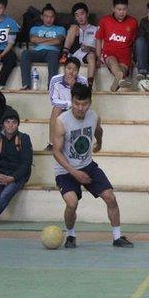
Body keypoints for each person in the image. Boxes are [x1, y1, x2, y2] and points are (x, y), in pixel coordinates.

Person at [53, 83, 133, 248]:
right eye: (76, 103)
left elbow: (99, 130)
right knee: (72, 203)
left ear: (90, 102)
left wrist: (99, 144)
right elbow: (56, 152)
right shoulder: (61, 121)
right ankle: (70, 235)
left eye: (84, 104)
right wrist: (74, 172)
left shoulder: (94, 116)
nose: (80, 108)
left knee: (110, 197)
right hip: (66, 170)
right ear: (72, 101)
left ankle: (117, 237)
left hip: (88, 166)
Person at [45, 57, 88, 151]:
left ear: (78, 71)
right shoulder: (55, 80)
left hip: (78, 108)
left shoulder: (83, 81)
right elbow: (53, 100)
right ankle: (52, 144)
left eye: (75, 70)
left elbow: (84, 99)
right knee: (56, 109)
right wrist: (68, 104)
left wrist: (73, 87)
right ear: (64, 68)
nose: (71, 72)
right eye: (69, 68)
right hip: (63, 107)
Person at [95, 0, 138, 92]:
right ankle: (121, 79)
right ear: (113, 9)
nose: (122, 12)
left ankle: (119, 79)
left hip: (125, 53)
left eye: (124, 9)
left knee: (123, 68)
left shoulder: (133, 22)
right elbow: (98, 40)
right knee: (112, 61)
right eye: (119, 9)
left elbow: (135, 42)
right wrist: (98, 57)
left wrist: (135, 57)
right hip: (109, 52)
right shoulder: (105, 21)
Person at [20, 3, 66, 90]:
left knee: (53, 55)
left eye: (51, 17)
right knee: (25, 53)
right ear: (42, 17)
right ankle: (26, 84)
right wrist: (51, 40)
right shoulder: (34, 29)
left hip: (52, 52)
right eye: (46, 16)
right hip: (37, 52)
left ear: (54, 17)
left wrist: (41, 39)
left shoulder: (60, 29)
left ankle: (51, 86)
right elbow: (33, 40)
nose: (49, 19)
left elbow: (58, 41)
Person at [60, 2, 98, 89]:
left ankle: (90, 84)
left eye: (82, 14)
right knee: (73, 27)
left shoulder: (96, 29)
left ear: (87, 14)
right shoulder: (74, 28)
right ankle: (64, 55)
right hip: (73, 52)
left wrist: (89, 48)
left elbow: (99, 48)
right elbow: (69, 39)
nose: (80, 17)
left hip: (87, 54)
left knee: (92, 56)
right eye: (77, 15)